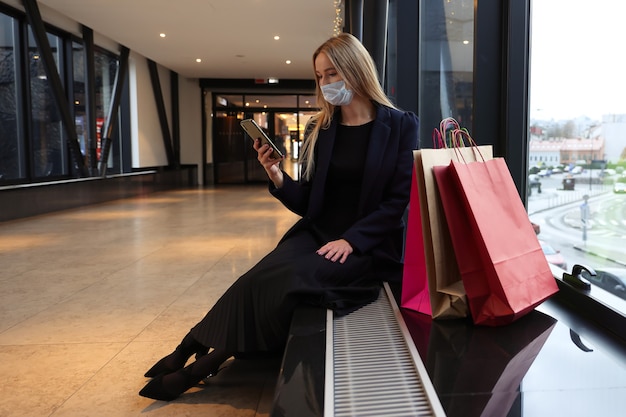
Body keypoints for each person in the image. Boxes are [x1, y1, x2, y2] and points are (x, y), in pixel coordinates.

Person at [139, 32, 419, 401]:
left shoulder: (400, 126)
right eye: (320, 76)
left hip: (365, 246)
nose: (326, 83)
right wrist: (276, 176)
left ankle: (200, 365)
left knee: (291, 279)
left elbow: (398, 201)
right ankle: (188, 345)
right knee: (255, 278)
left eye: (333, 73)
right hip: (318, 232)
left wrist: (352, 240)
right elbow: (309, 201)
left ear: (356, 69)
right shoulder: (322, 128)